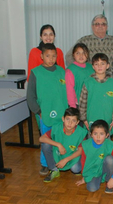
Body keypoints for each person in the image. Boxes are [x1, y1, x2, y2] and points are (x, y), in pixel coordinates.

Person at [27, 43, 68, 176]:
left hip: (62, 113)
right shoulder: (36, 73)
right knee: (46, 139)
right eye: (47, 56)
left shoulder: (62, 71)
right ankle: (45, 164)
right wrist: (38, 111)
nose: (51, 59)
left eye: (54, 56)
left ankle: (61, 161)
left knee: (61, 137)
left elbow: (67, 91)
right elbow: (30, 96)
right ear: (41, 56)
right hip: (45, 113)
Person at [39, 108, 87, 182]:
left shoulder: (81, 132)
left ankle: (76, 167)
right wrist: (59, 145)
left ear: (77, 122)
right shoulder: (57, 127)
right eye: (67, 119)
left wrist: (66, 159)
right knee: (45, 145)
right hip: (58, 154)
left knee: (75, 169)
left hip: (72, 156)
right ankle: (53, 170)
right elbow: (41, 138)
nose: (70, 123)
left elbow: (80, 151)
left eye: (73, 120)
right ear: (63, 119)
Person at [76, 120, 113, 193]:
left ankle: (108, 180)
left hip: (105, 167)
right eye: (95, 134)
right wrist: (84, 176)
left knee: (110, 160)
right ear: (91, 134)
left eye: (101, 134)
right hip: (93, 170)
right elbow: (83, 162)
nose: (98, 137)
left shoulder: (110, 145)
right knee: (91, 188)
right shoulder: (85, 145)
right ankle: (100, 177)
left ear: (107, 135)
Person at [79, 53, 113, 135]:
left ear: (108, 65)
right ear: (93, 66)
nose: (99, 66)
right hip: (91, 119)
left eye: (102, 63)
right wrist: (84, 119)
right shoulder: (88, 82)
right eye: (96, 64)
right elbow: (82, 103)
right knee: (91, 144)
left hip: (107, 120)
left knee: (106, 145)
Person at [66, 43, 94, 108]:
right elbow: (69, 90)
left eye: (84, 53)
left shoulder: (91, 68)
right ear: (73, 55)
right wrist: (73, 106)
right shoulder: (70, 70)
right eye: (78, 53)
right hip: (77, 104)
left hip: (91, 103)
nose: (81, 56)